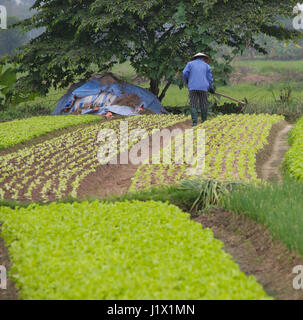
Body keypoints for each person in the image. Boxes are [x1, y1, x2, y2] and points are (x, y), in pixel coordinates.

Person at [182, 53, 215, 126]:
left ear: (195, 58)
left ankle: (194, 123)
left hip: (192, 87)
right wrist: (211, 88)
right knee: (203, 104)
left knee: (193, 103)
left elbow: (184, 73)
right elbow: (210, 78)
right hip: (204, 88)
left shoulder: (190, 64)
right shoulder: (207, 66)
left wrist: (187, 80)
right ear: (203, 58)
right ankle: (204, 121)